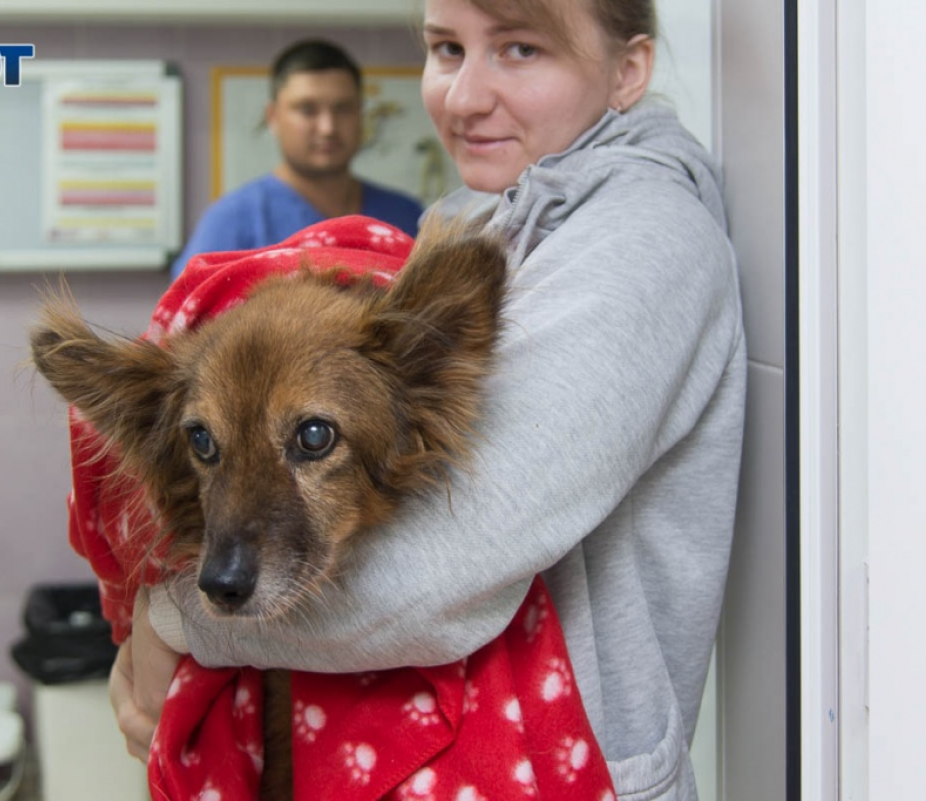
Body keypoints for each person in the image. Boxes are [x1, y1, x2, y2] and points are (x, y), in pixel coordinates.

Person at [112, 0, 746, 798]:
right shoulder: (476, 215)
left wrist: (177, 622)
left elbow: (449, 570)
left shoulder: (645, 238)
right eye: (447, 49)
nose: (465, 94)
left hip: (567, 771)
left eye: (520, 49)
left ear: (628, 71)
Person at [168, 39, 425, 278]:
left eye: (343, 108)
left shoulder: (403, 216)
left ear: (360, 114)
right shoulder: (233, 222)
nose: (328, 127)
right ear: (273, 117)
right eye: (307, 110)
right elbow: (183, 322)